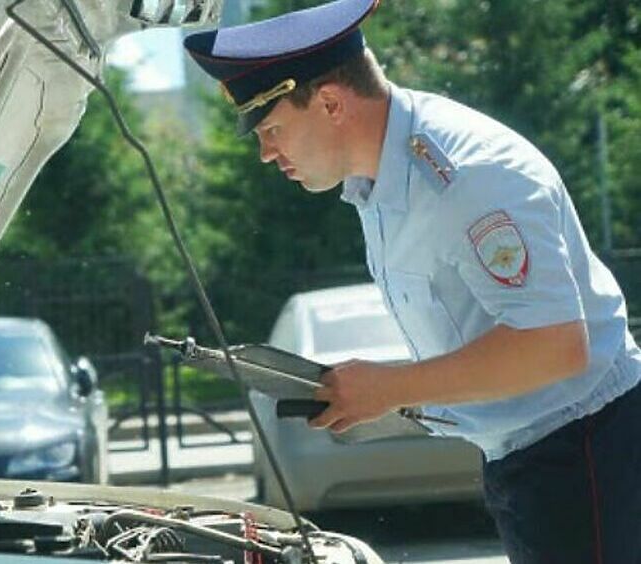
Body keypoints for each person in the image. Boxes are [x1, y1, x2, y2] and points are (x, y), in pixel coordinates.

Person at [183, 0, 641, 562]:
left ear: (329, 102)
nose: (265, 152)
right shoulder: (382, 175)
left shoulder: (466, 178)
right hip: (538, 457)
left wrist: (390, 388)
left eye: (272, 128)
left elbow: (556, 346)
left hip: (587, 452)